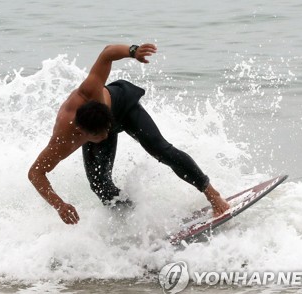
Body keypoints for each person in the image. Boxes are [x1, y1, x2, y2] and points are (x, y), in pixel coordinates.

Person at [28, 44, 230, 225]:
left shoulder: (91, 89)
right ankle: (133, 220)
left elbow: (107, 54)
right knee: (100, 185)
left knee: (161, 149)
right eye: (100, 136)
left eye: (107, 131)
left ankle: (213, 195)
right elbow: (35, 173)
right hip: (96, 124)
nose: (107, 137)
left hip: (122, 107)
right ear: (82, 133)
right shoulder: (64, 139)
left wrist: (133, 52)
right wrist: (59, 205)